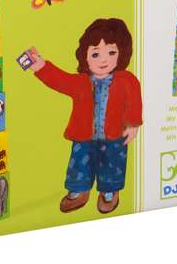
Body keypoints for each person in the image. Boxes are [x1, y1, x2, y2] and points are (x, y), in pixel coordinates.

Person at [26, 18, 142, 214]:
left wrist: (133, 124)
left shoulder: (127, 80)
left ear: (122, 53)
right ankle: (79, 190)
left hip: (115, 136)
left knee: (113, 164)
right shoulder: (80, 82)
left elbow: (134, 101)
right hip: (83, 137)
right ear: (85, 56)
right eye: (96, 54)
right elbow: (60, 80)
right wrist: (40, 66)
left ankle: (109, 190)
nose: (104, 60)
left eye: (111, 52)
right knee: (79, 164)